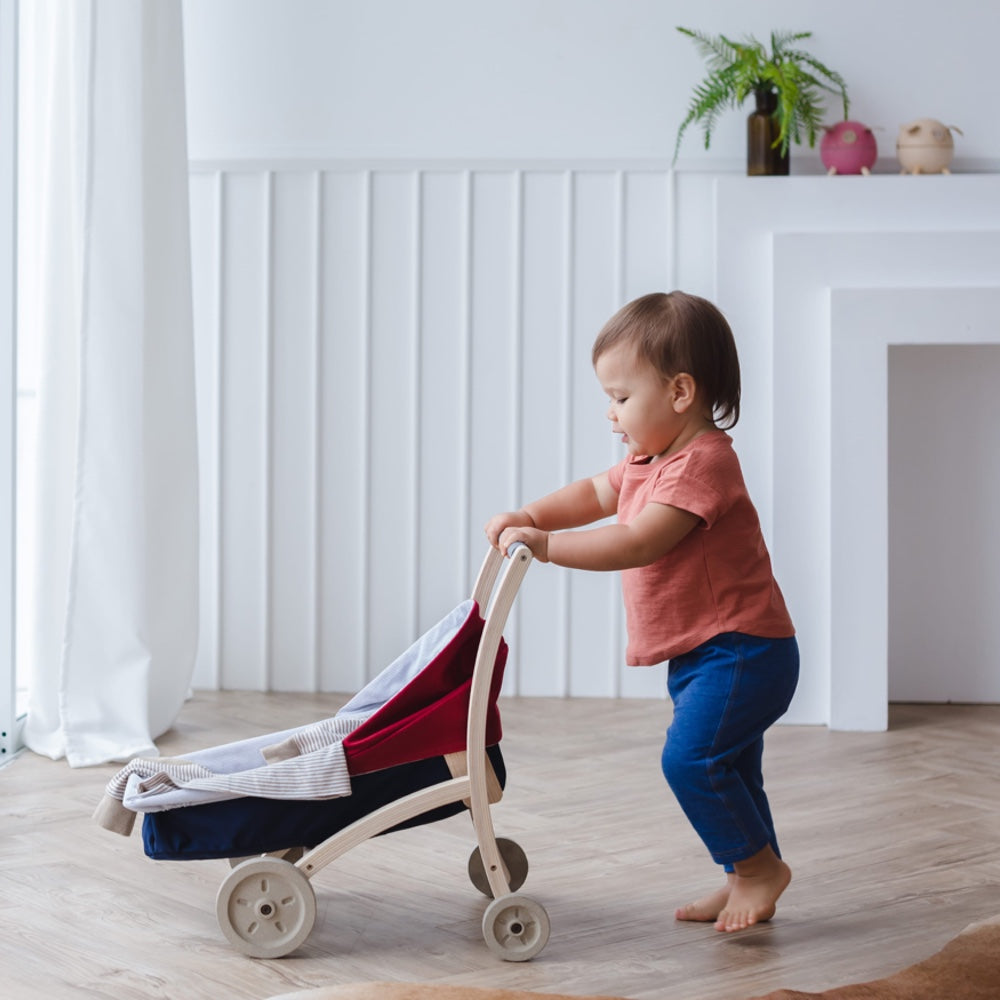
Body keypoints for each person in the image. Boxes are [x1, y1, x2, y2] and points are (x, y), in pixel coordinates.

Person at [485, 291, 798, 934]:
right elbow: (597, 493)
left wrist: (544, 547)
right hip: (706, 652)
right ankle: (745, 871)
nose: (611, 414)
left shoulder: (705, 462)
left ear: (680, 392)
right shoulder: (647, 459)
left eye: (622, 398)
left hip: (743, 650)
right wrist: (533, 515)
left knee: (689, 761)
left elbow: (638, 541)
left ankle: (760, 868)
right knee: (731, 766)